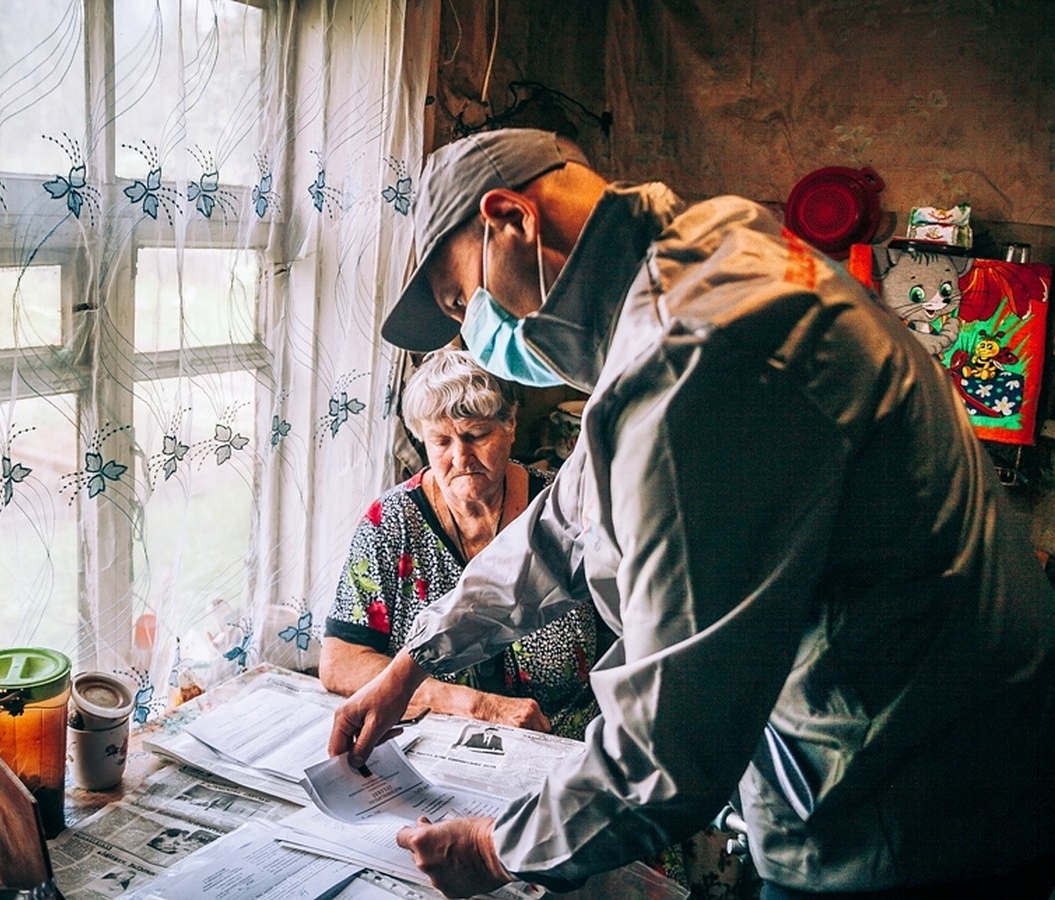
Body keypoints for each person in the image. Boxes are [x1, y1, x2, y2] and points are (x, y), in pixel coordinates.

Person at [329, 128, 1055, 899]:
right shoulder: (705, 258)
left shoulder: (698, 359)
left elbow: (671, 742)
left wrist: (497, 847)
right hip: (936, 769)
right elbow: (563, 526)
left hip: (917, 825)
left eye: (460, 298)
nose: (474, 328)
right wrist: (415, 661)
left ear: (512, 221)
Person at [320, 348, 605, 741]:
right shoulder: (391, 523)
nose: (460, 457)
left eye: (476, 435)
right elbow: (339, 663)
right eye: (441, 441)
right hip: (442, 748)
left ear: (511, 426)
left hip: (566, 745)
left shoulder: (562, 511)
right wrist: (471, 704)